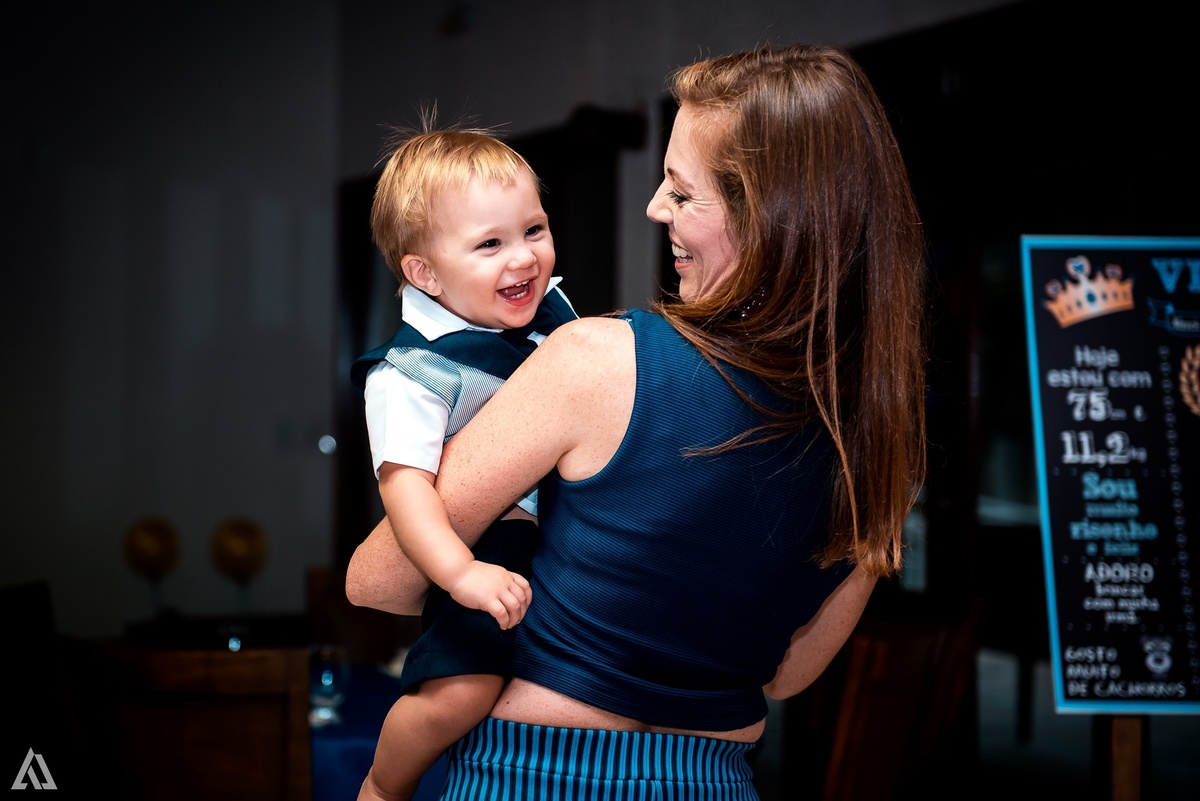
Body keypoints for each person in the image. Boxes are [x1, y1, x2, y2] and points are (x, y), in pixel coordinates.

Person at [346, 41, 926, 800]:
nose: (656, 207)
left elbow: (376, 581)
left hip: (538, 778)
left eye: (682, 192)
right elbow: (789, 672)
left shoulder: (596, 361)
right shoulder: (883, 438)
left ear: (767, 215)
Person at [351, 121, 577, 801]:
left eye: (533, 230)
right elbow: (406, 490)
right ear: (425, 273)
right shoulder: (414, 371)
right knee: (462, 692)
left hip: (568, 532)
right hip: (486, 545)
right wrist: (461, 572)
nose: (524, 258)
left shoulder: (557, 318)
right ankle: (383, 785)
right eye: (490, 244)